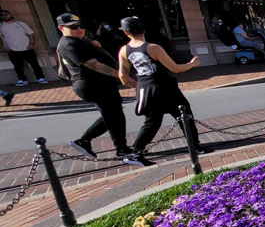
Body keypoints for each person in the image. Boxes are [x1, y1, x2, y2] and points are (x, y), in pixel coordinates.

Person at [55, 13, 143, 166]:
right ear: (61, 28)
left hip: (101, 84)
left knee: (111, 115)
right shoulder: (69, 44)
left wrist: (94, 44)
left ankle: (85, 141)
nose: (79, 29)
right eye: (73, 27)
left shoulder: (79, 41)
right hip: (92, 85)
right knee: (113, 116)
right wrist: (121, 76)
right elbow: (94, 65)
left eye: (80, 26)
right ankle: (120, 148)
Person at [117, 16, 205, 165]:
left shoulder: (124, 50)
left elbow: (122, 75)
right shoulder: (152, 48)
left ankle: (136, 152)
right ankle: (195, 146)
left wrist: (132, 83)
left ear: (126, 32)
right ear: (143, 30)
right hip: (165, 87)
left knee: (152, 122)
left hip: (146, 88)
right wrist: (192, 64)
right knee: (184, 115)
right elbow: (175, 68)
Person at [0, 8, 46, 85]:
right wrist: (4, 47)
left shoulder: (20, 24)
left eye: (6, 14)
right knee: (18, 67)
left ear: (10, 15)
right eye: (1, 15)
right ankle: (22, 80)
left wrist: (32, 44)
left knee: (34, 64)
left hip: (27, 48)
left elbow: (31, 34)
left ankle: (41, 78)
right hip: (13, 50)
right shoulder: (1, 26)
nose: (4, 16)